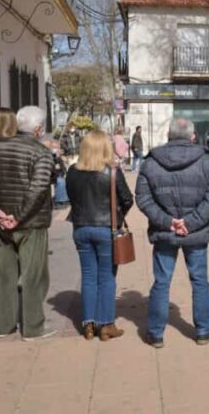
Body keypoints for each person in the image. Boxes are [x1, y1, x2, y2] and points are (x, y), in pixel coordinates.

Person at [136, 117, 209, 348]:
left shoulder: (151, 162)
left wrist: (168, 222)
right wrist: (190, 222)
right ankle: (203, 331)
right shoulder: (206, 161)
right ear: (193, 137)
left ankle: (156, 333)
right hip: (195, 232)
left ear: (168, 135)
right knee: (199, 281)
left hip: (166, 232)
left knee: (162, 281)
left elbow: (143, 198)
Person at [0, 106, 56, 340]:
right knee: (33, 276)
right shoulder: (41, 153)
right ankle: (33, 327)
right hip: (31, 223)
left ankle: (4, 325)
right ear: (38, 129)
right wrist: (16, 216)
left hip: (4, 224)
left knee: (5, 275)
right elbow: (38, 189)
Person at [66, 131, 133, 341]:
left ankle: (88, 324)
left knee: (88, 275)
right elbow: (127, 199)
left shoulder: (72, 172)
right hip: (106, 228)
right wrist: (118, 216)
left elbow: (71, 197)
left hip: (81, 228)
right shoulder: (112, 171)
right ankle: (106, 324)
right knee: (106, 277)